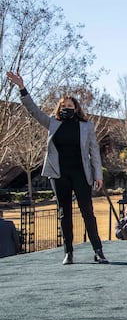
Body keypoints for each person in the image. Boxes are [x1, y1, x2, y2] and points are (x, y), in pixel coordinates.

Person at [6, 71, 108, 265]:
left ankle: (98, 251)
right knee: (64, 213)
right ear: (60, 108)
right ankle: (68, 252)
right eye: (64, 106)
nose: (68, 108)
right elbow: (33, 110)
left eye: (71, 106)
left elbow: (94, 151)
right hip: (58, 174)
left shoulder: (86, 126)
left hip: (81, 173)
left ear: (76, 108)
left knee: (88, 212)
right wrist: (22, 88)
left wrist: (98, 174)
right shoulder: (53, 123)